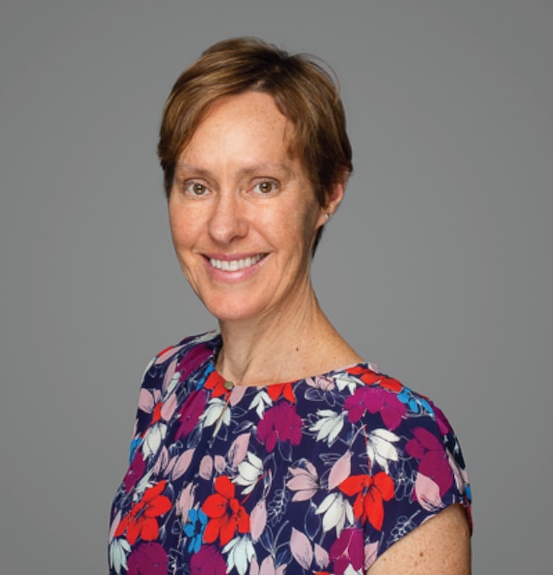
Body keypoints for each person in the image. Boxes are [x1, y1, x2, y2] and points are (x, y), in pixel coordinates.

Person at [108, 37, 472, 575]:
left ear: (328, 194)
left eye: (262, 184)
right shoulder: (169, 380)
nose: (224, 226)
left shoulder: (400, 448)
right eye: (197, 186)